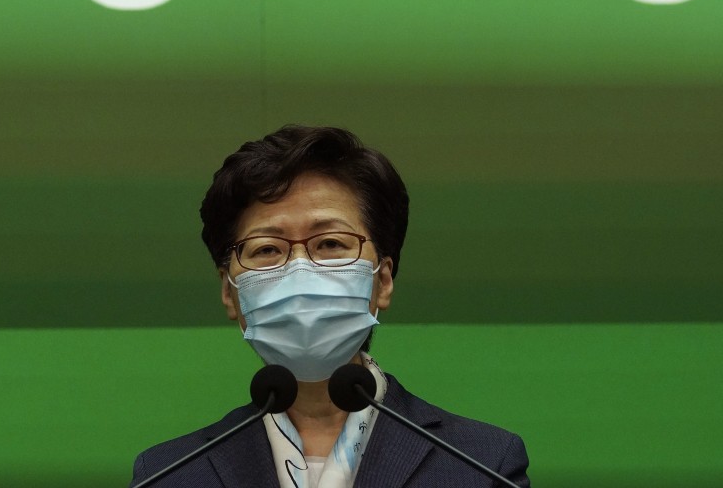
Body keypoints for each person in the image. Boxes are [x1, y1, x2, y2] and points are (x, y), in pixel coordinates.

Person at [131, 125, 530, 487]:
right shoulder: (170, 473)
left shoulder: (482, 464)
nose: (300, 271)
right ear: (229, 291)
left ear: (383, 280)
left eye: (331, 244)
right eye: (267, 249)